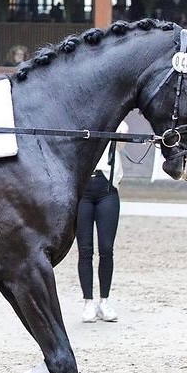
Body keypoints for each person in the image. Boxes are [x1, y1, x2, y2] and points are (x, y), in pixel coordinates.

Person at [76, 121, 128, 323]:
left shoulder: (115, 122)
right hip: (83, 190)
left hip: (106, 189)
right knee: (85, 249)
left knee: (106, 248)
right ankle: (88, 301)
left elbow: (122, 138)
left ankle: (104, 300)